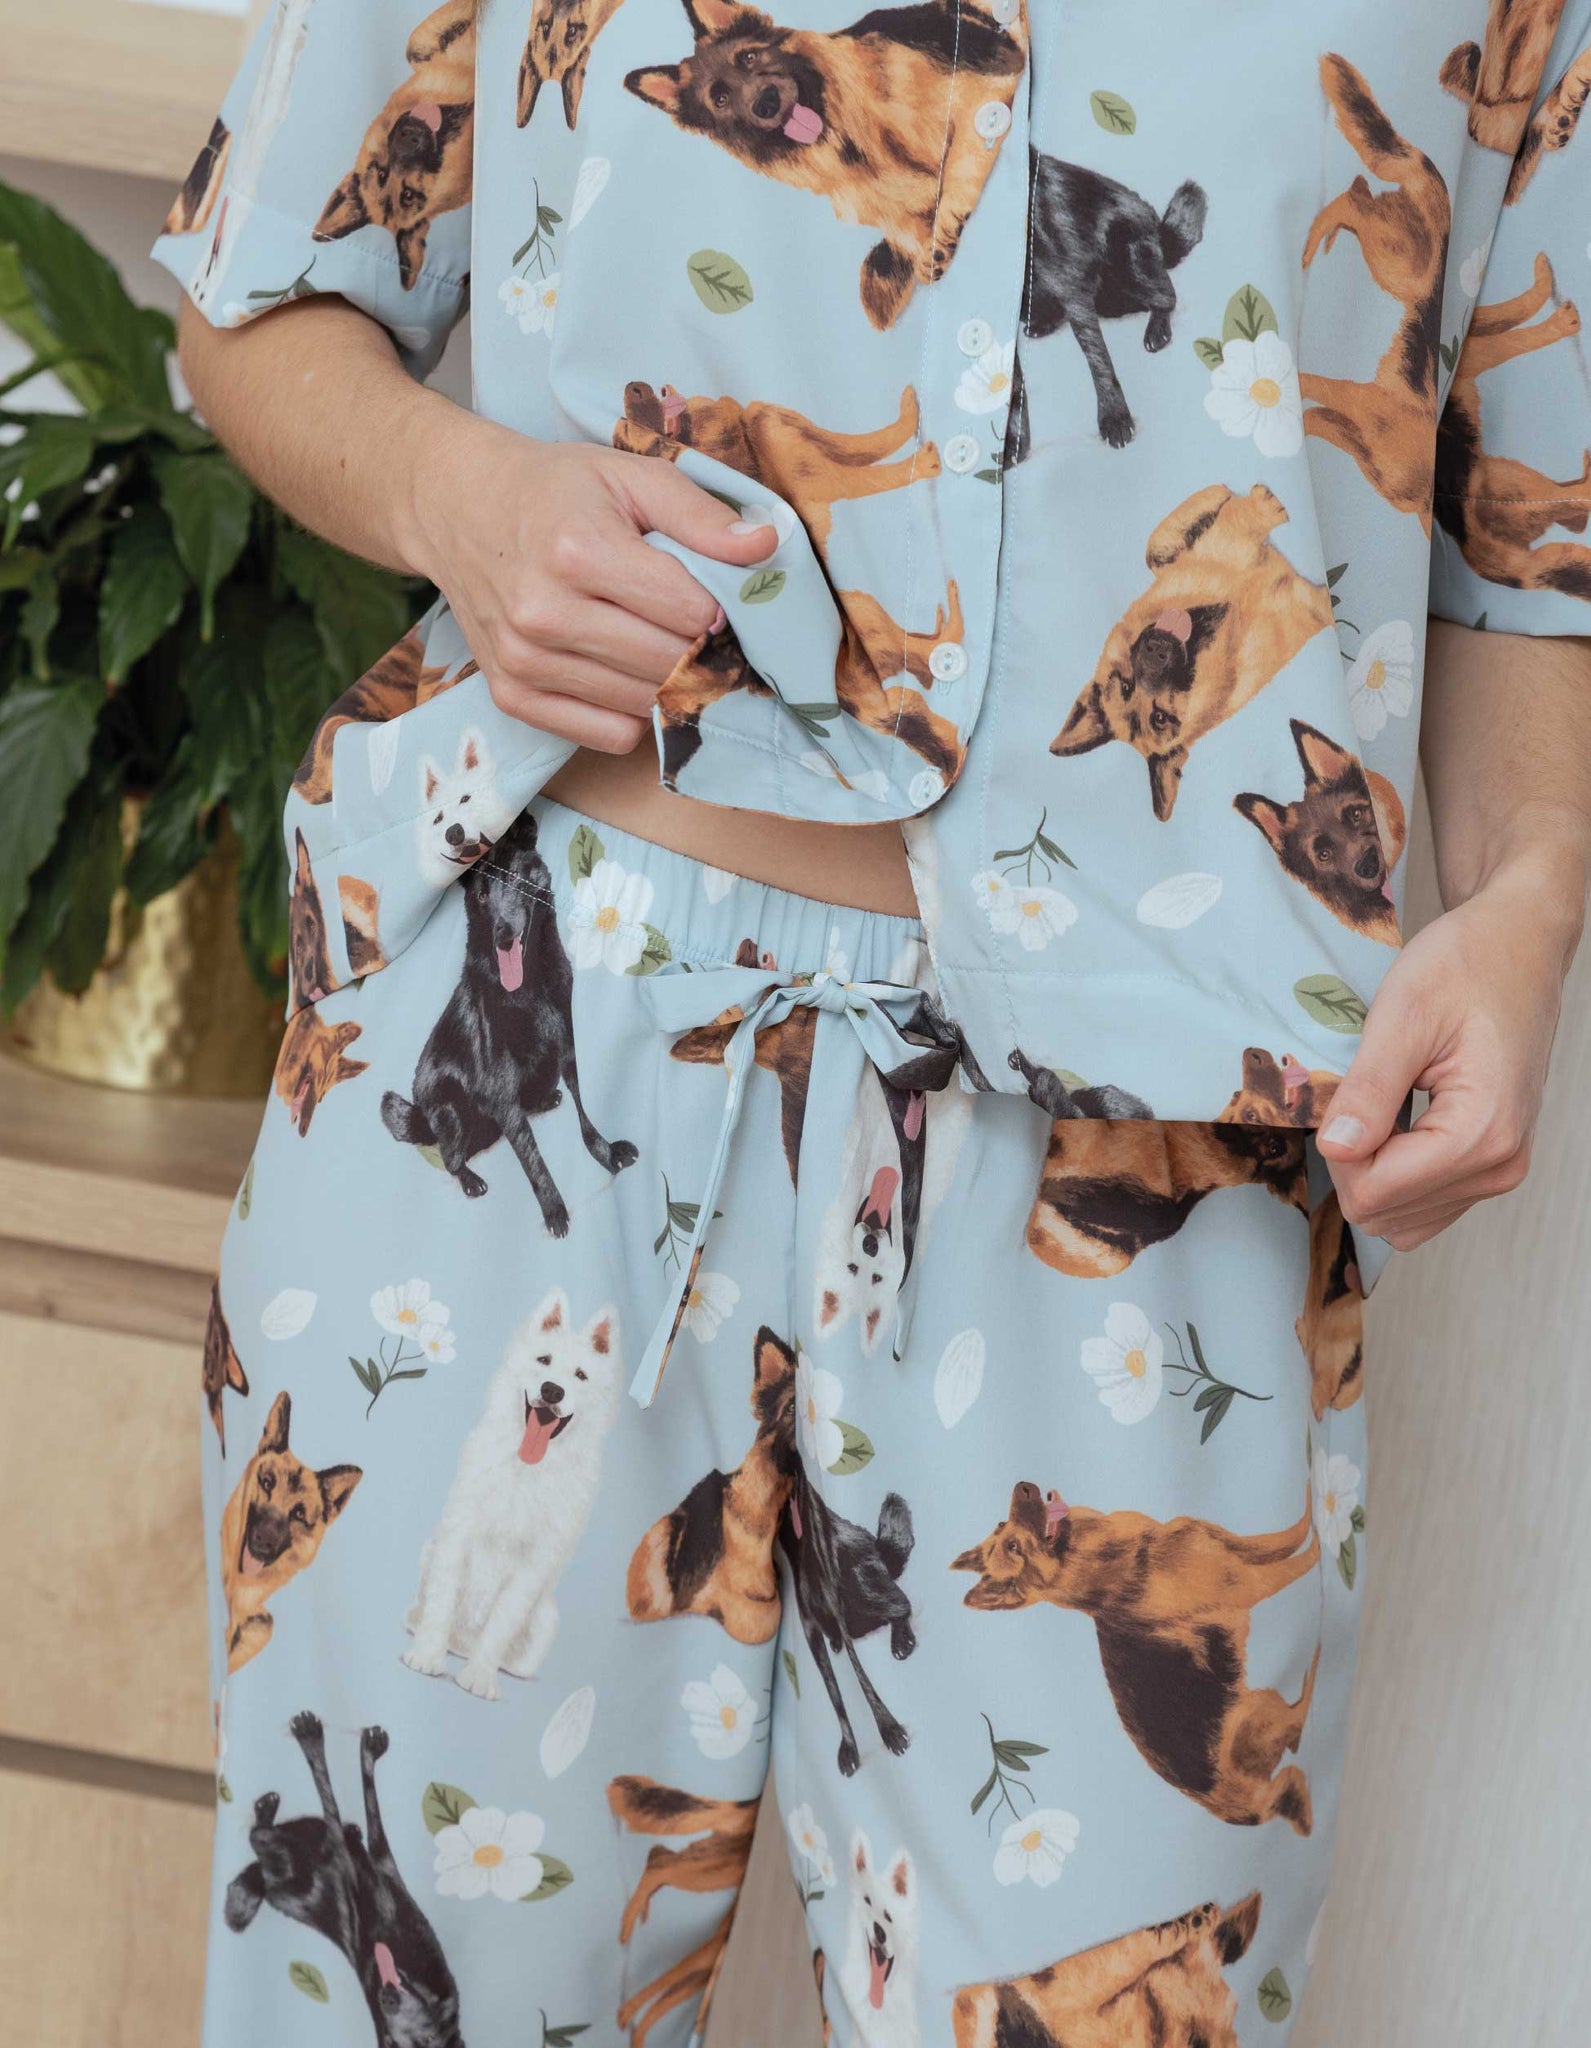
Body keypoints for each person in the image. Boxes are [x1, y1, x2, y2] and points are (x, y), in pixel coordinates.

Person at [158, 3, 1591, 2042]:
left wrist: (1528, 895)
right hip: (528, 1085)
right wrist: (461, 497)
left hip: (1150, 1168)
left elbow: (1533, 536)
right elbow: (262, 290)